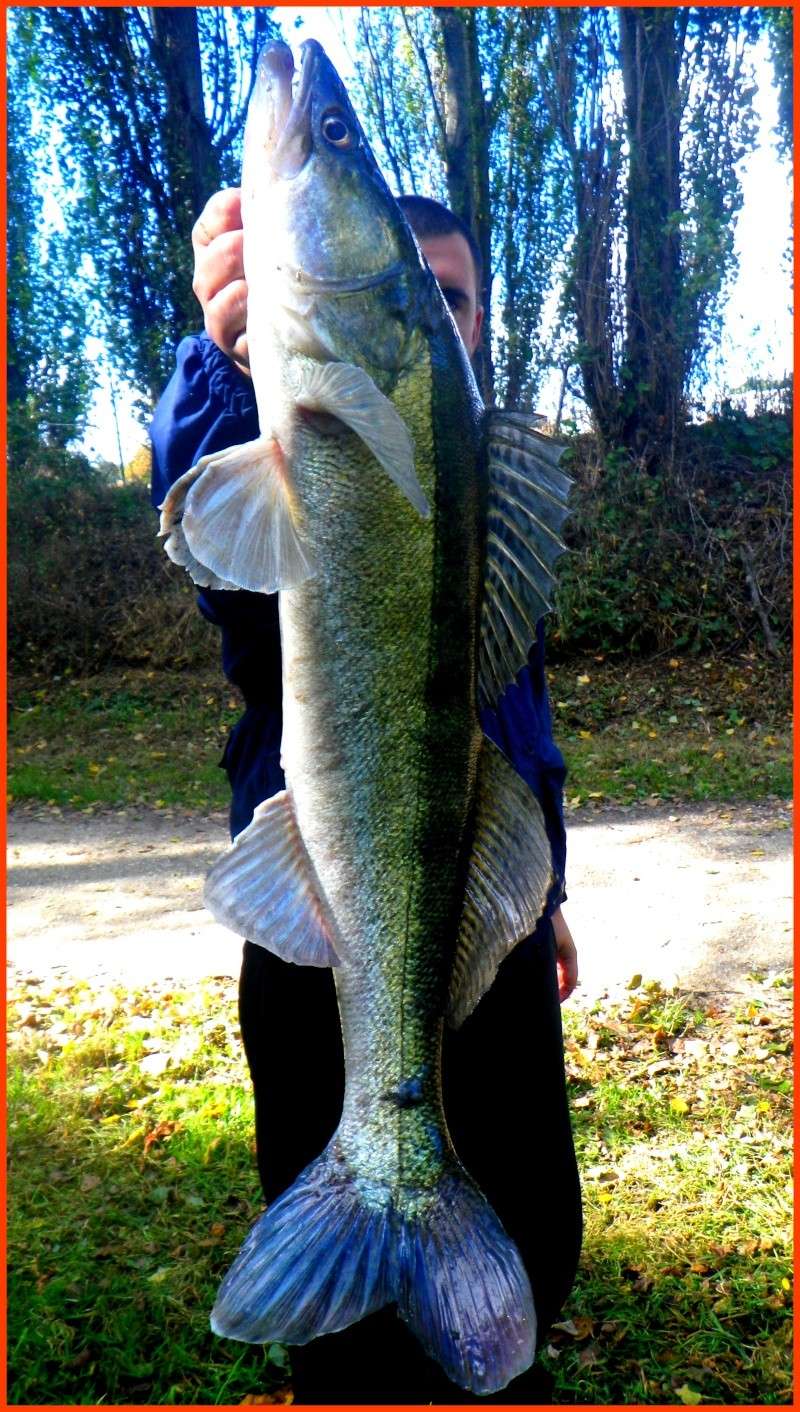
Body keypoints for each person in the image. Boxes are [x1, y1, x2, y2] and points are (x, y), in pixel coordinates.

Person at [150, 188, 582, 1405]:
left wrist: (541, 882)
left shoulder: (490, 493)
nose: (436, 314)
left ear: (476, 328)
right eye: (419, 290)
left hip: (477, 910)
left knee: (532, 1222)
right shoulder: (279, 422)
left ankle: (497, 1346)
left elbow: (519, 720)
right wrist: (230, 363)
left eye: (453, 298)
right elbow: (226, 570)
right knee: (345, 1359)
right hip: (321, 926)